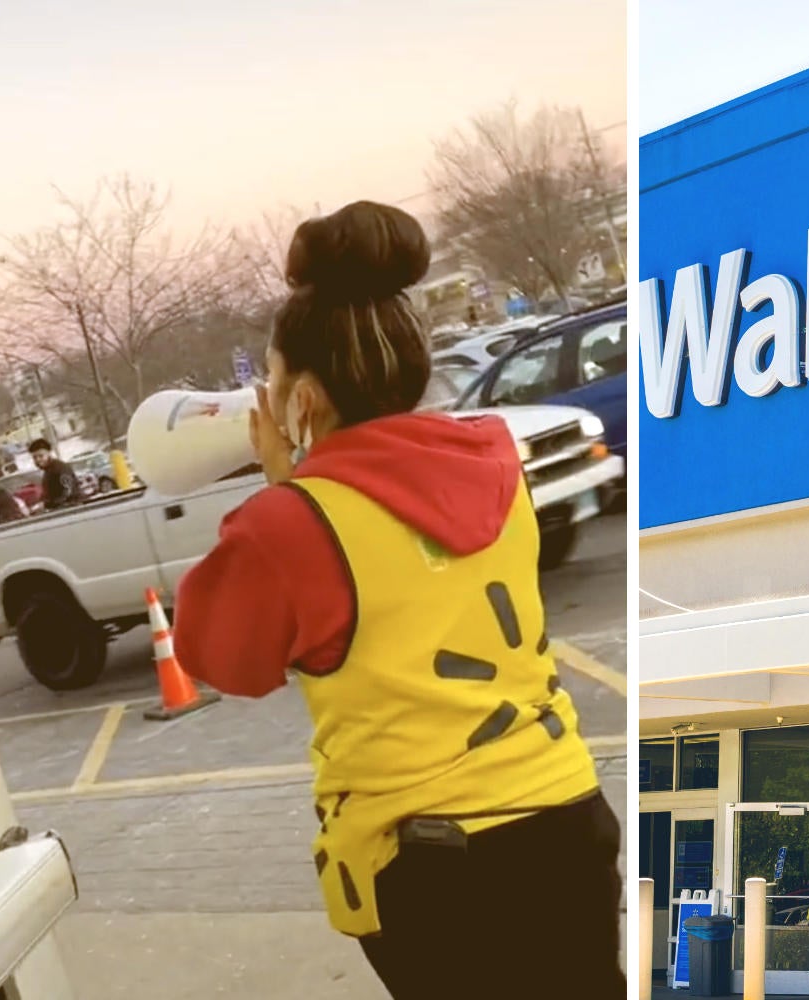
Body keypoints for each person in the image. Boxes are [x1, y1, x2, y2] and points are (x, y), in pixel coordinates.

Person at [171, 201, 622, 999]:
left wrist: (283, 489)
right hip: (567, 814)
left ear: (302, 400)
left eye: (272, 382)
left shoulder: (294, 523)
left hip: (442, 877)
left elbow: (219, 655)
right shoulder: (494, 460)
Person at [29, 439, 81, 510]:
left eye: (41, 456)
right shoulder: (48, 471)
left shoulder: (60, 469)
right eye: (35, 457)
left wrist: (46, 504)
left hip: (72, 510)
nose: (38, 460)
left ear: (49, 453)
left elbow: (69, 493)